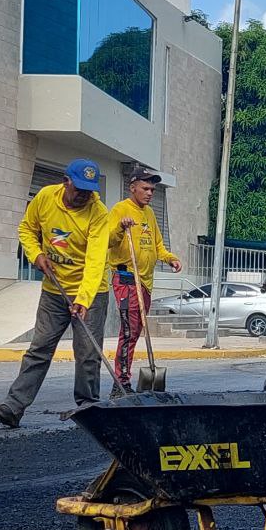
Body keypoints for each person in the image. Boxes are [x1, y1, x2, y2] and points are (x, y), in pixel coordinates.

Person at [0, 160, 110, 428]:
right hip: (54, 290)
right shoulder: (44, 197)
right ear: (66, 181)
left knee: (88, 353)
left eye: (89, 191)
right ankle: (14, 406)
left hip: (91, 292)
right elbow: (27, 230)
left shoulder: (99, 213)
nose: (84, 195)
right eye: (79, 189)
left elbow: (96, 262)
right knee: (39, 349)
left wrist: (83, 299)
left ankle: (88, 408)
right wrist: (36, 254)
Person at [107, 165, 181, 394]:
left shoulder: (149, 214)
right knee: (129, 331)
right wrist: (121, 227)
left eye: (152, 190)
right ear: (133, 188)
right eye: (146, 188)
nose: (150, 193)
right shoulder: (121, 210)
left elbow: (157, 244)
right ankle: (121, 382)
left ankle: (126, 376)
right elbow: (108, 240)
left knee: (137, 330)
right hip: (126, 278)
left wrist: (170, 258)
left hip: (145, 283)